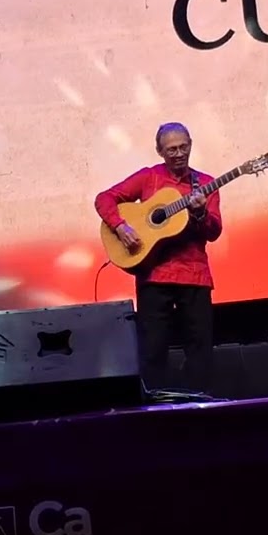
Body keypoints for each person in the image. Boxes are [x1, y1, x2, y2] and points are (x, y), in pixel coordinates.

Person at [94, 122, 222, 394]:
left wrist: (200, 214)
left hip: (194, 274)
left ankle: (198, 406)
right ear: (160, 151)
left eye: (183, 147)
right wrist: (120, 225)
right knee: (152, 347)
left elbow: (214, 232)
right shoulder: (148, 178)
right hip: (154, 274)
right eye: (171, 149)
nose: (179, 153)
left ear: (191, 144)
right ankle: (153, 408)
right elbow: (104, 199)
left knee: (200, 347)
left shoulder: (206, 184)